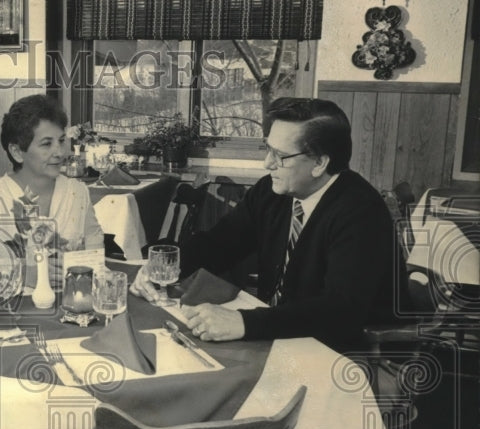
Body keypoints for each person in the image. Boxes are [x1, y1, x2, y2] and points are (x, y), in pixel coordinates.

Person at [131, 97, 409, 354]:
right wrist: (164, 268)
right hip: (281, 332)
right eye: (268, 149)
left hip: (343, 352)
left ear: (319, 163)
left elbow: (340, 311)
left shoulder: (361, 212)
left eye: (280, 155)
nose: (267, 163)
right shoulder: (272, 191)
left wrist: (243, 322)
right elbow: (221, 242)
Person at [0, 94, 104, 287]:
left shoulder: (77, 192)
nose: (60, 152)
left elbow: (95, 250)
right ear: (17, 152)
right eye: (47, 144)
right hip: (11, 303)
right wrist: (25, 273)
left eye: (61, 141)